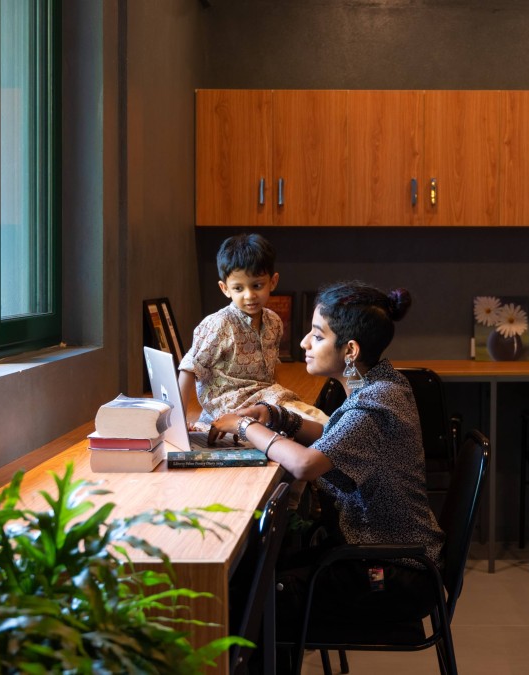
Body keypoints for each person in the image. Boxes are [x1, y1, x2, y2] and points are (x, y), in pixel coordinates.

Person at [213, 280, 445, 629]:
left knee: (243, 598)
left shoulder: (375, 403)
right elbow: (337, 440)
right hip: (372, 556)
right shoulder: (382, 385)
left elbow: (306, 465)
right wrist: (277, 417)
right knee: (253, 576)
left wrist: (243, 426)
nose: (305, 342)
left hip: (394, 575)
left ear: (350, 350)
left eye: (318, 336)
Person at [177, 233, 325, 433]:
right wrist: (177, 422)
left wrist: (279, 400)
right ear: (225, 288)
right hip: (232, 408)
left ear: (272, 282)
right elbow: (189, 368)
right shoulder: (219, 324)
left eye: (257, 285)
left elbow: (272, 372)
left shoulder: (274, 322)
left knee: (320, 424)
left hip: (268, 402)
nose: (249, 295)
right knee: (318, 427)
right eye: (238, 288)